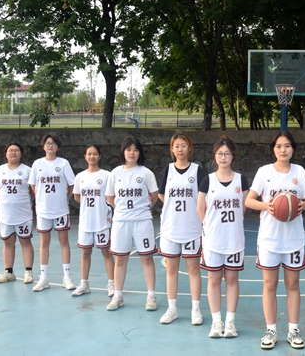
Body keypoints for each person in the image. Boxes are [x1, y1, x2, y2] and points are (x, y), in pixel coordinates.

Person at [246, 131, 305, 350]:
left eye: (287, 146)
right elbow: (249, 200)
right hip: (270, 238)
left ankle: (293, 330)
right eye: (278, 146)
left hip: (293, 238)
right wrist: (267, 205)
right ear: (273, 149)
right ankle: (271, 330)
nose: (283, 150)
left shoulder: (299, 171)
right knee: (270, 284)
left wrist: (301, 205)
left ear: (292, 148)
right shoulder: (264, 172)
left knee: (293, 284)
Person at [197, 136, 248, 339]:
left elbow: (243, 208)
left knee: (232, 280)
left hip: (234, 239)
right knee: (214, 279)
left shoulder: (241, 180)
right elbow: (200, 209)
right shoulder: (207, 180)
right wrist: (211, 227)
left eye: (227, 153)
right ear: (215, 156)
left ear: (233, 156)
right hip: (213, 239)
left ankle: (230, 322)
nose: (223, 157)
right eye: (220, 154)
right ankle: (216, 322)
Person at [157, 134, 206, 325]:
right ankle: (172, 309)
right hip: (171, 227)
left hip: (192, 227)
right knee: (171, 269)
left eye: (183, 145)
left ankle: (195, 309)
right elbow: (162, 194)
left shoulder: (197, 170)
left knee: (193, 269)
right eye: (176, 146)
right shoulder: (168, 170)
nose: (180, 149)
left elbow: (204, 196)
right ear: (172, 149)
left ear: (189, 148)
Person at [105, 138, 159, 311]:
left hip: (142, 221)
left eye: (135, 150)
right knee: (120, 259)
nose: (132, 153)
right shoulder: (115, 173)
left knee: (146, 258)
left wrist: (142, 209)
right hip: (121, 222)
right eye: (128, 149)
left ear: (139, 153)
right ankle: (118, 295)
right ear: (123, 151)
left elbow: (154, 196)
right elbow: (110, 197)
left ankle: (151, 295)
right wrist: (121, 210)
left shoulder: (146, 173)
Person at [29, 134, 76, 292]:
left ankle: (66, 277)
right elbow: (33, 185)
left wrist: (65, 198)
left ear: (58, 147)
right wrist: (41, 198)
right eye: (48, 143)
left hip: (60, 209)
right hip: (43, 210)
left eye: (53, 143)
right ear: (43, 146)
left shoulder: (63, 163)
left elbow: (71, 184)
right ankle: (43, 278)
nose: (50, 145)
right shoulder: (37, 164)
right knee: (44, 243)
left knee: (64, 241)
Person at [71, 145, 115, 297]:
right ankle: (84, 283)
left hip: (102, 221)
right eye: (89, 154)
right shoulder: (80, 176)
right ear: (85, 156)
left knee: (106, 252)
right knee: (85, 253)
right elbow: (77, 197)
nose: (92, 156)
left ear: (99, 156)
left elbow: (111, 195)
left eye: (95, 154)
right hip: (86, 221)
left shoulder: (107, 175)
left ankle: (111, 283)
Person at [0, 143, 35, 284]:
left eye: (16, 150)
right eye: (11, 150)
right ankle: (8, 272)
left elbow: (33, 190)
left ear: (21, 154)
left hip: (23, 214)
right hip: (5, 214)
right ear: (6, 154)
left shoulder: (28, 170)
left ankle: (28, 272)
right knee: (7, 243)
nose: (13, 153)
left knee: (25, 241)